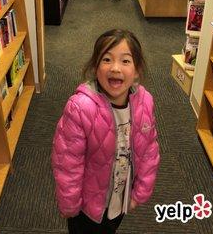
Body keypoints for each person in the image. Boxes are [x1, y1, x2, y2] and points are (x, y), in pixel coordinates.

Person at [52, 29, 160, 234]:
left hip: (120, 199)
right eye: (107, 59)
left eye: (126, 61)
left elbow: (149, 151)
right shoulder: (80, 107)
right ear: (95, 67)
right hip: (87, 208)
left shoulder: (144, 103)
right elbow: (67, 162)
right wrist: (70, 204)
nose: (116, 68)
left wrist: (139, 193)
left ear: (137, 70)